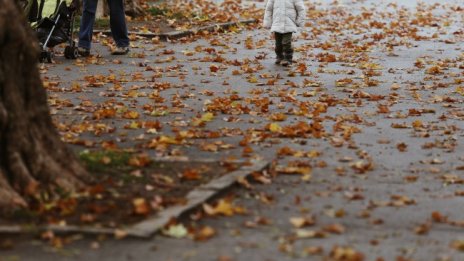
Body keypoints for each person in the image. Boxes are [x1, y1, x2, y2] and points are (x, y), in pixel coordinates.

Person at [263, 0, 306, 66]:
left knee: (286, 42)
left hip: (289, 24)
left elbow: (301, 9)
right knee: (278, 44)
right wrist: (267, 22)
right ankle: (280, 57)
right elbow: (269, 10)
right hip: (277, 23)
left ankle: (288, 59)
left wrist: (299, 21)